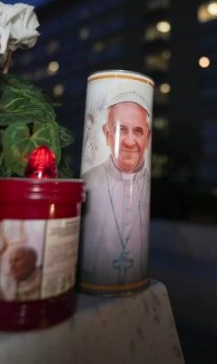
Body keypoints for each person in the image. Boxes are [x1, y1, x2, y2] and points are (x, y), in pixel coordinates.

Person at [80, 91, 152, 287]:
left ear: (147, 136)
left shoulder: (149, 185)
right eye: (121, 129)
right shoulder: (89, 181)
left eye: (138, 131)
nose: (129, 141)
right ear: (107, 133)